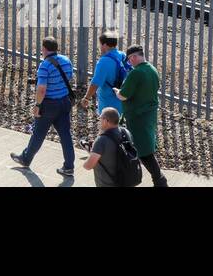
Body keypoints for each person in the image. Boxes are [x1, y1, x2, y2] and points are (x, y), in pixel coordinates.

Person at [10, 36, 75, 177]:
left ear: (44, 49)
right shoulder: (66, 61)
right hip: (64, 102)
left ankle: (25, 159)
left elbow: (41, 89)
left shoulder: (44, 65)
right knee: (65, 135)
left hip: (49, 104)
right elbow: (69, 77)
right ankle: (69, 166)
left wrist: (37, 104)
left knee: (38, 133)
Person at [116, 45, 168, 186]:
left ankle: (160, 181)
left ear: (133, 57)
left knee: (144, 152)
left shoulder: (136, 73)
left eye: (129, 59)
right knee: (144, 149)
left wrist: (117, 91)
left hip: (137, 118)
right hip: (148, 116)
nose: (129, 62)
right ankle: (158, 180)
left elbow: (123, 96)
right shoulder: (152, 69)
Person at [82, 107, 142, 187]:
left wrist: (91, 153)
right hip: (125, 181)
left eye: (100, 119)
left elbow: (88, 166)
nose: (99, 122)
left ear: (106, 121)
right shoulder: (126, 132)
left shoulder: (101, 140)